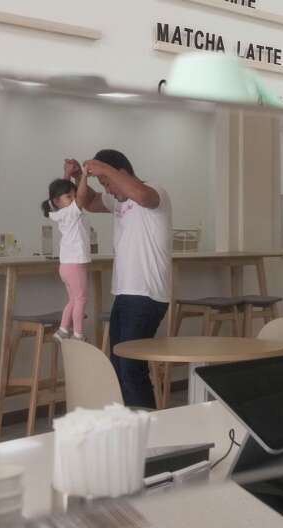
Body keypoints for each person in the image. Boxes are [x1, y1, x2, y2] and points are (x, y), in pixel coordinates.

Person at [65, 150, 172, 409]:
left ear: (120, 172)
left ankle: (147, 429)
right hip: (125, 294)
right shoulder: (118, 201)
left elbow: (143, 196)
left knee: (131, 369)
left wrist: (103, 169)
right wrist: (79, 176)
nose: (108, 190)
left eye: (107, 183)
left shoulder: (153, 191)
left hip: (147, 295)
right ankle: (133, 425)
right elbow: (89, 201)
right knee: (120, 366)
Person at [41, 177, 92, 341]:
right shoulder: (71, 212)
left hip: (66, 266)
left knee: (74, 300)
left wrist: (67, 174)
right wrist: (84, 175)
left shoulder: (60, 213)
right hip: (75, 264)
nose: (74, 199)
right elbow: (82, 196)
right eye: (69, 197)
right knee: (81, 299)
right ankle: (78, 334)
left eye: (74, 195)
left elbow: (64, 192)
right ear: (57, 201)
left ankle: (63, 330)